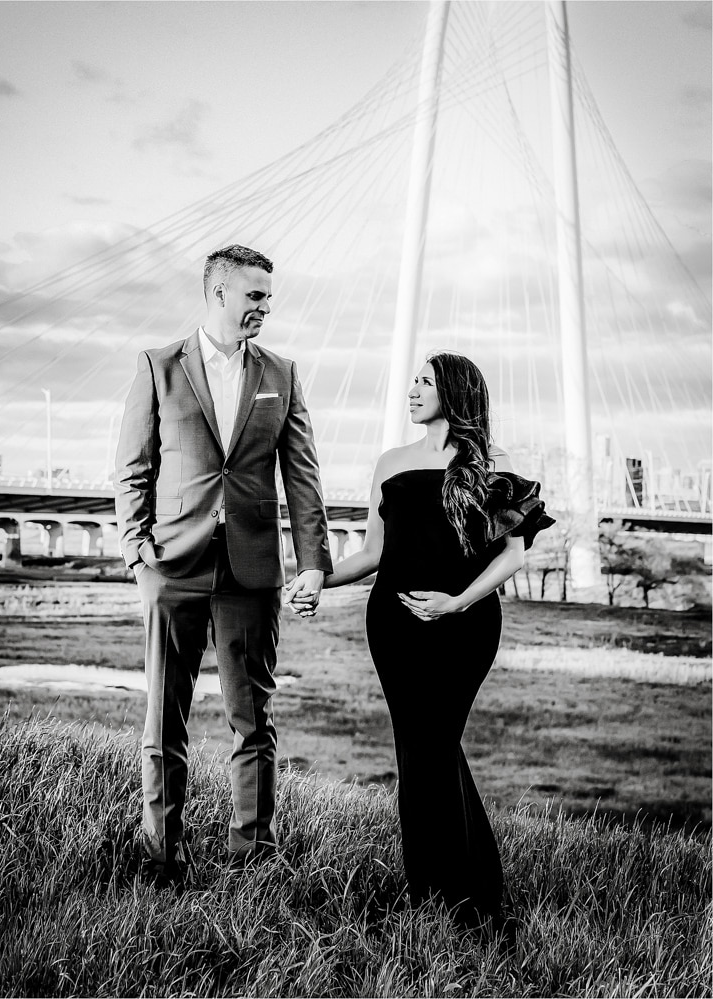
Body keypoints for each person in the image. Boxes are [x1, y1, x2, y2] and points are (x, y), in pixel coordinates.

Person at [293, 350, 553, 925]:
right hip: (394, 628)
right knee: (421, 749)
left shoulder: (495, 465)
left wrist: (458, 601)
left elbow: (513, 556)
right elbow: (371, 554)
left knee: (432, 747)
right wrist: (316, 580)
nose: (412, 390)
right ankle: (452, 894)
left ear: (454, 393)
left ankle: (460, 898)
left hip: (466, 626)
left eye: (425, 382)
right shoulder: (390, 462)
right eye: (412, 381)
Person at [114, 244, 332, 884]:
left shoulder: (282, 374)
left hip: (251, 571)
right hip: (172, 566)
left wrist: (312, 563)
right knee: (163, 718)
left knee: (254, 719)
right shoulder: (158, 368)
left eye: (269, 295)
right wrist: (137, 555)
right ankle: (161, 858)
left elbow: (303, 478)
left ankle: (252, 861)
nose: (266, 306)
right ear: (218, 294)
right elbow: (133, 469)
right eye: (255, 295)